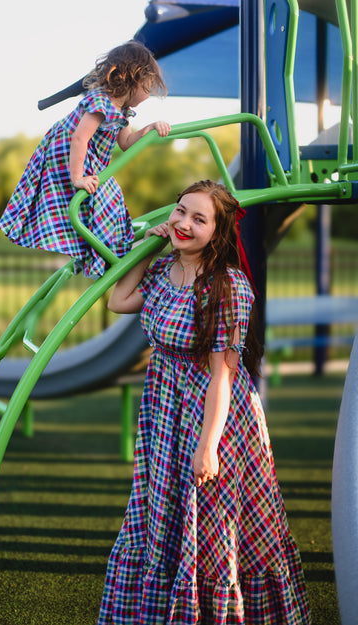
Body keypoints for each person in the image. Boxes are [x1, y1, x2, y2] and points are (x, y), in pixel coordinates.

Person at [97, 180, 311, 624]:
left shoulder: (227, 286)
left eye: (199, 218)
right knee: (164, 512)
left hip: (213, 413)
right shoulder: (163, 272)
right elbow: (117, 300)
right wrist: (148, 250)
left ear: (217, 231)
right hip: (165, 408)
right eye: (180, 212)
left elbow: (223, 373)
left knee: (213, 522)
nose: (184, 224)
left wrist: (208, 445)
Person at [0, 41, 170, 278]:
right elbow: (80, 138)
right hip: (69, 155)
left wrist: (149, 129)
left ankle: (100, 255)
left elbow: (126, 143)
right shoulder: (101, 102)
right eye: (148, 88)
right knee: (104, 199)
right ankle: (98, 255)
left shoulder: (121, 111)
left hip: (89, 160)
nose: (149, 95)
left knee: (110, 202)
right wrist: (77, 177)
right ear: (133, 79)